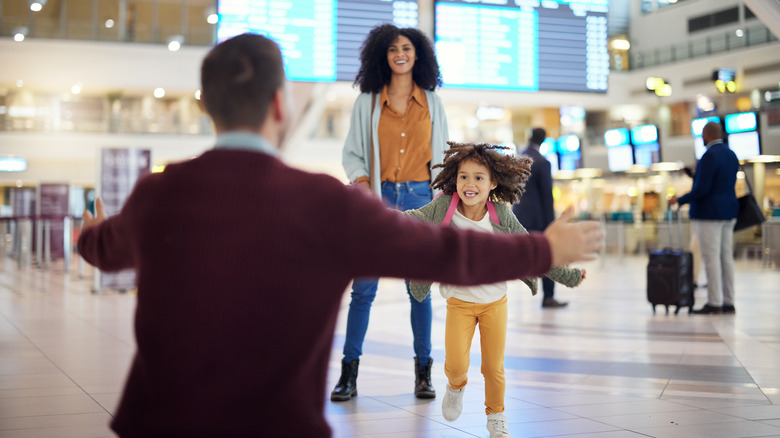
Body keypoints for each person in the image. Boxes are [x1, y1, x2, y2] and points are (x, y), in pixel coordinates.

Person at [77, 33, 604, 437]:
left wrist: (89, 234)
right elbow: (444, 250)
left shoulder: (156, 195)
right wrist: (545, 248)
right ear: (282, 106)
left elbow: (103, 248)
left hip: (159, 422)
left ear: (205, 106)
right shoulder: (325, 204)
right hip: (277, 424)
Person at [405, 142, 586, 438]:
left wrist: (568, 275)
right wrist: (371, 217)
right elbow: (413, 219)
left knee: (493, 367)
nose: (470, 184)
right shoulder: (444, 207)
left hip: (494, 303)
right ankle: (455, 386)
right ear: (454, 179)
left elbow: (530, 249)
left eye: (479, 177)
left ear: (493, 183)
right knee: (456, 366)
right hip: (459, 303)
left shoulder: (500, 214)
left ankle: (497, 418)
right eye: (463, 176)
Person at [336, 23, 449, 401]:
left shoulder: (432, 101)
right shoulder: (367, 101)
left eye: (407, 48)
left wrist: (442, 202)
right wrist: (364, 185)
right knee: (363, 288)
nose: (400, 53)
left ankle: (423, 373)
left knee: (419, 289)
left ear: (418, 54)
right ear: (382, 56)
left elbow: (444, 156)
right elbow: (352, 152)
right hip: (378, 197)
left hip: (421, 198)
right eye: (392, 49)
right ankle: (348, 374)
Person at [670, 121, 739, 315]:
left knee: (711, 257)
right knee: (726, 257)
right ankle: (728, 300)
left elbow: (702, 189)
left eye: (702, 134)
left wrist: (680, 199)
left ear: (707, 135)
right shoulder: (731, 154)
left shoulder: (708, 156)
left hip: (710, 214)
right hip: (729, 212)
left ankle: (715, 302)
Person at [511, 127, 566, 308]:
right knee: (548, 256)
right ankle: (548, 296)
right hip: (538, 219)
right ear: (543, 141)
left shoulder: (518, 158)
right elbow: (546, 197)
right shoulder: (542, 162)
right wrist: (552, 224)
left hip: (519, 217)